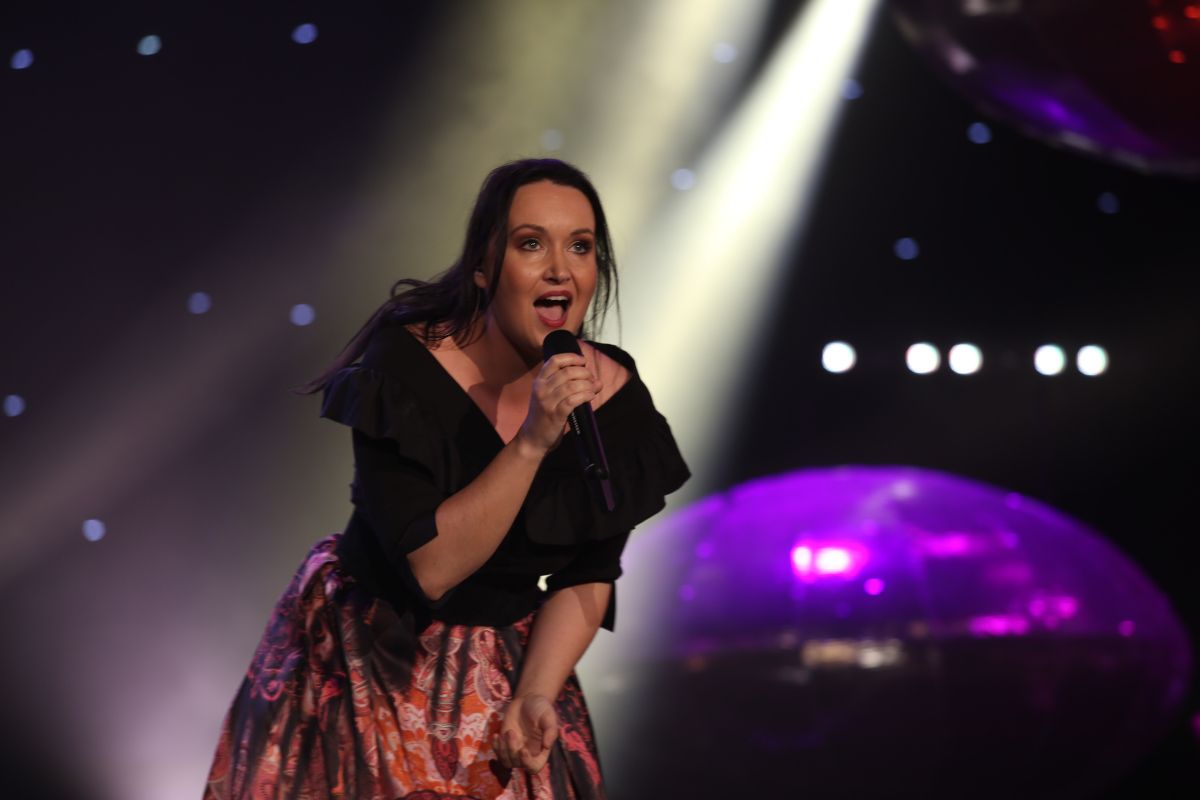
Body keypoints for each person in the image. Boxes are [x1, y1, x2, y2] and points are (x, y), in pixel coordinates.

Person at [203, 158, 690, 799]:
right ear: (484, 267)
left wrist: (536, 692)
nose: (559, 269)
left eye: (580, 247)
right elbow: (432, 569)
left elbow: (590, 573)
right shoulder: (403, 367)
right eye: (531, 244)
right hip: (371, 655)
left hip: (511, 667)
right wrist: (533, 442)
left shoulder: (612, 397)